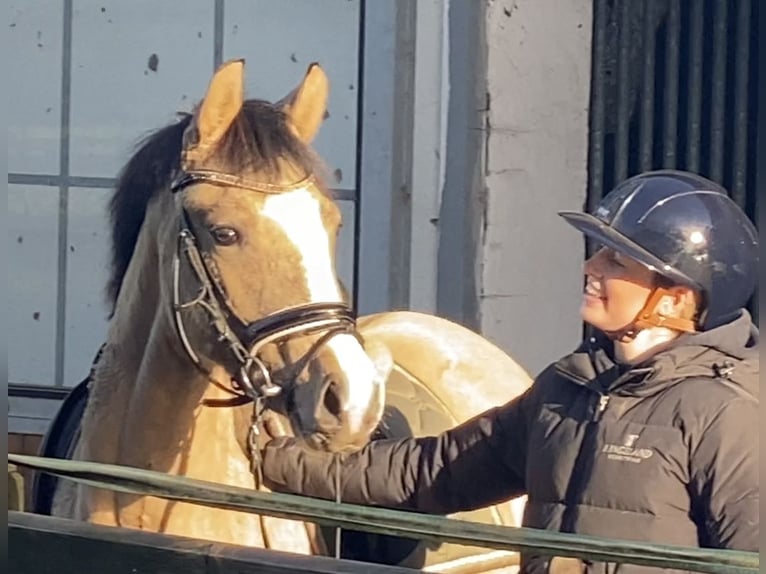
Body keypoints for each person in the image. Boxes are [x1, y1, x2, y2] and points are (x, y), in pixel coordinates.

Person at [260, 170, 759, 573]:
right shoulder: (569, 388)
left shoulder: (728, 413)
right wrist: (273, 459)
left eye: (617, 261)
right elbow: (432, 471)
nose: (591, 268)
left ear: (676, 297)